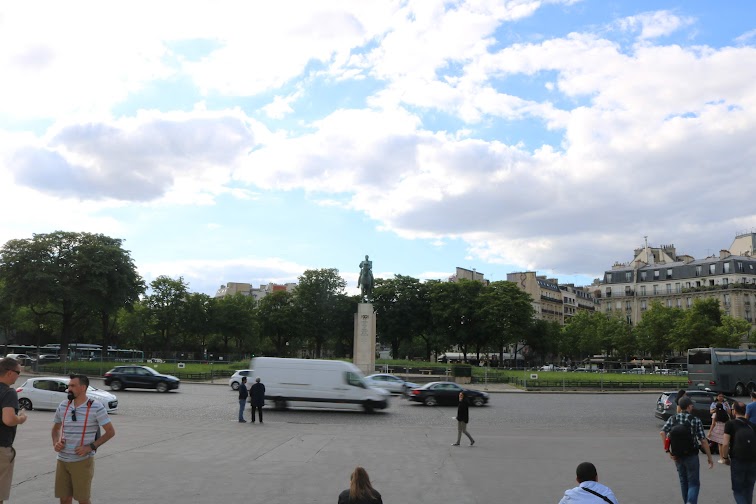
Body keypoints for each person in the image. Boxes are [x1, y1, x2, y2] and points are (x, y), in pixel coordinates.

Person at [52, 375, 116, 504]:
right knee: (64, 498)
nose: (69, 389)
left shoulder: (96, 407)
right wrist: (56, 443)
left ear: (83, 388)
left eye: (72, 386)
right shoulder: (63, 405)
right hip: (62, 460)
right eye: (68, 386)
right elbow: (55, 429)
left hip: (82, 461)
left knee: (83, 499)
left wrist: (90, 447)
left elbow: (110, 432)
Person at [660, 396, 714, 504]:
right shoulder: (695, 420)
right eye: (691, 405)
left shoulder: (673, 418)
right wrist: (709, 457)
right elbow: (703, 440)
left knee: (683, 482)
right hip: (691, 455)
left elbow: (662, 432)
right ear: (689, 406)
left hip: (677, 455)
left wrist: (668, 450)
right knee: (694, 483)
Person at [0, 358, 27, 504]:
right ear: (10, 373)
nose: (18, 376)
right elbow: (9, 419)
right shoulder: (9, 392)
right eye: (18, 373)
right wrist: (21, 418)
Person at [722, 401, 756, 504]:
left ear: (734, 411)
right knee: (749, 489)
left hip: (738, 460)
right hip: (753, 461)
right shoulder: (752, 425)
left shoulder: (730, 424)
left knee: (738, 490)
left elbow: (725, 444)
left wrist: (725, 458)